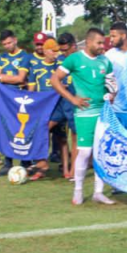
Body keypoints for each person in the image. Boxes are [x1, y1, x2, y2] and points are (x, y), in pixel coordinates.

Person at [50, 28, 114, 205]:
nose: (102, 46)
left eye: (103, 43)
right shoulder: (74, 59)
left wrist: (112, 93)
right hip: (85, 113)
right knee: (85, 151)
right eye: (99, 43)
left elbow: (111, 85)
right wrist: (72, 98)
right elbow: (55, 80)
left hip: (103, 113)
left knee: (101, 152)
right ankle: (78, 190)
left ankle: (98, 192)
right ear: (88, 42)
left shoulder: (105, 61)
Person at [0, 30, 34, 176]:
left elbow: (21, 78)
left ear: (15, 40)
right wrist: (7, 77)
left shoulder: (24, 57)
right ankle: (7, 163)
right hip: (4, 99)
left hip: (19, 99)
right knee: (5, 129)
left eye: (9, 42)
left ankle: (25, 162)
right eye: (4, 44)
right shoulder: (1, 57)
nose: (7, 46)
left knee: (21, 129)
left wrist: (3, 78)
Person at [24, 37, 63, 180]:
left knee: (60, 138)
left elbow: (65, 85)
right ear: (46, 51)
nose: (56, 54)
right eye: (54, 51)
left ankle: (64, 168)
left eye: (57, 51)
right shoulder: (36, 68)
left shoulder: (61, 66)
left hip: (58, 106)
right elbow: (31, 90)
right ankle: (41, 166)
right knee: (41, 133)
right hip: (42, 108)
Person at [55, 32, 79, 179]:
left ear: (74, 46)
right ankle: (39, 164)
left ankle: (74, 170)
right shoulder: (59, 60)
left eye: (65, 50)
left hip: (75, 103)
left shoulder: (81, 59)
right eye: (61, 50)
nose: (63, 53)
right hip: (60, 103)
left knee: (76, 137)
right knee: (44, 127)